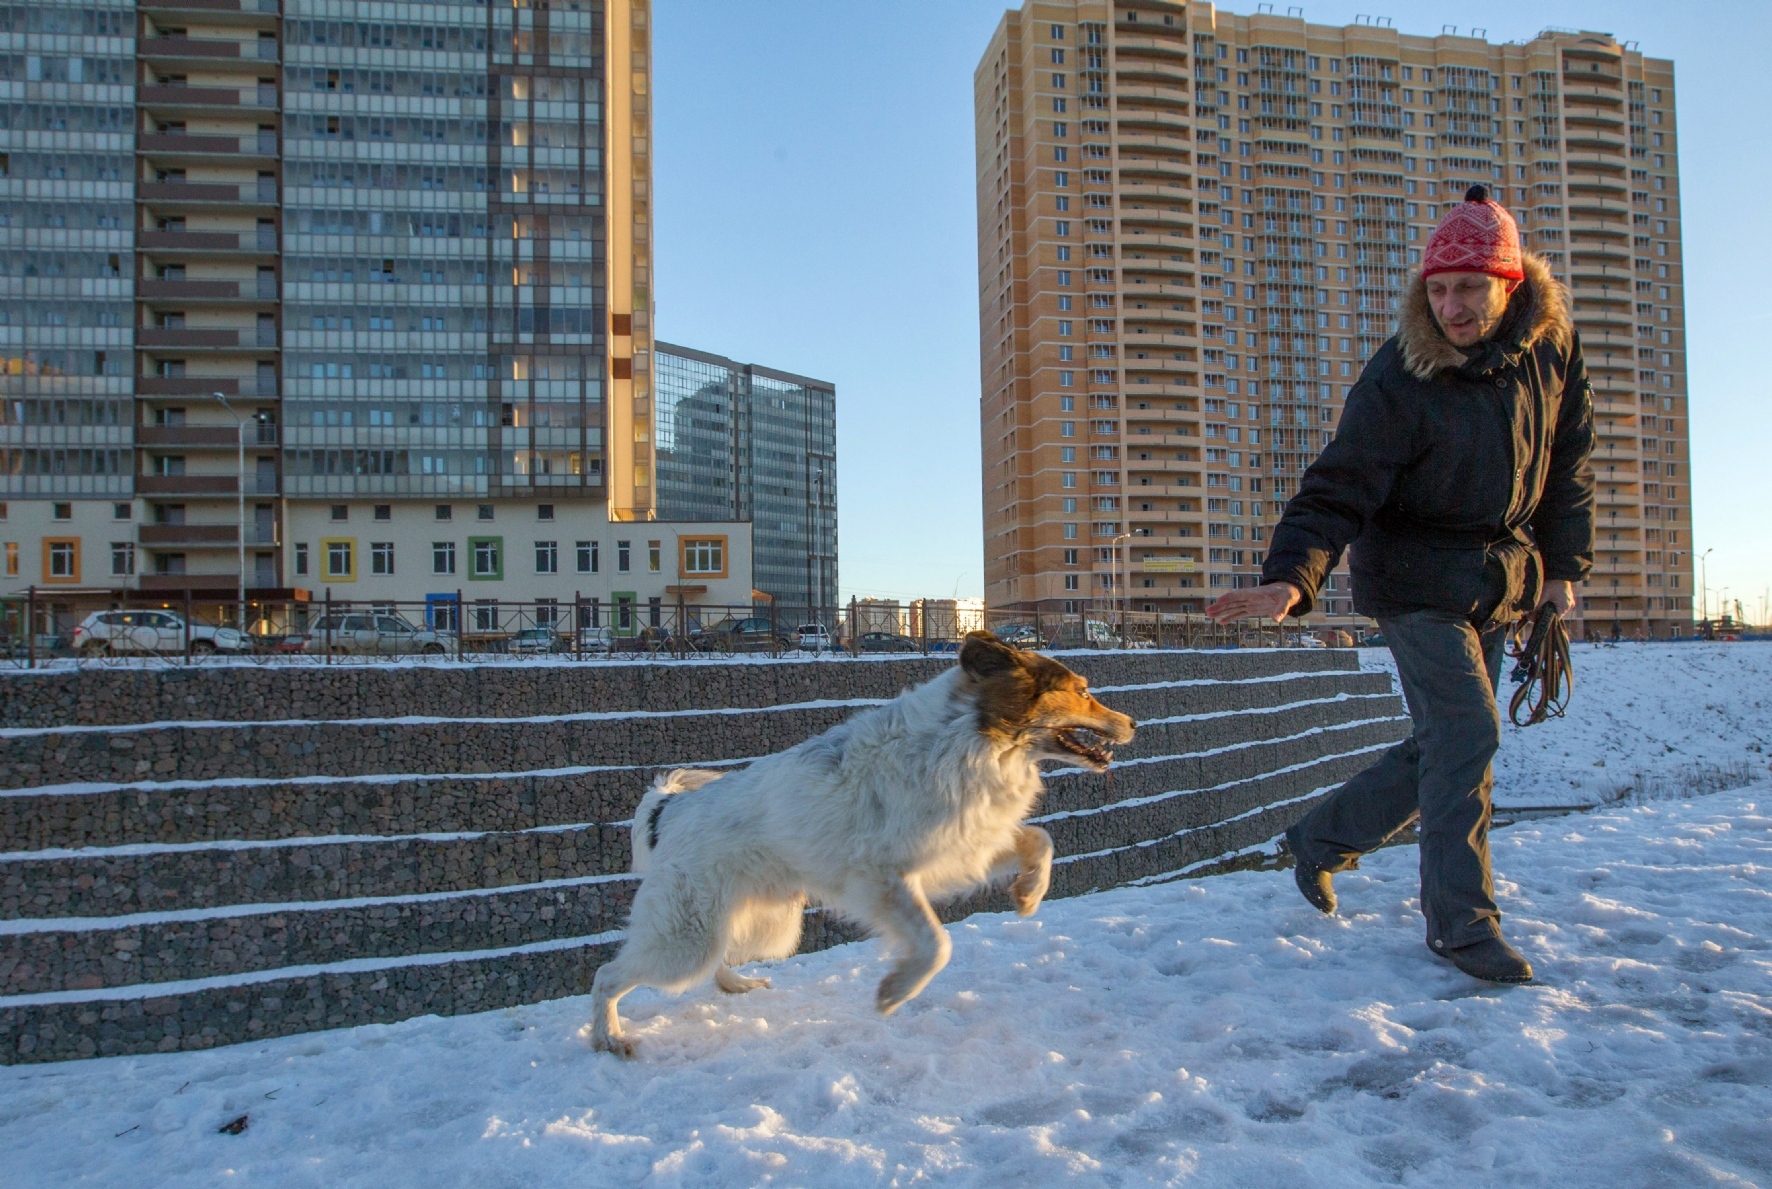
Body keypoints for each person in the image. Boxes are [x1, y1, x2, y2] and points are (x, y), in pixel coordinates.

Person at [1205, 185, 1594, 984]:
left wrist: (1560, 572)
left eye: (1468, 288)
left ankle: (1319, 839)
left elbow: (1568, 463)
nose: (1450, 305)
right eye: (1437, 289)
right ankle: (1461, 925)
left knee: (1446, 744)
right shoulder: (1400, 376)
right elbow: (1337, 485)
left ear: (1509, 284)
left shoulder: (1552, 348)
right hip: (1414, 577)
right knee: (1467, 735)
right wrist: (1292, 578)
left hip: (1498, 575)